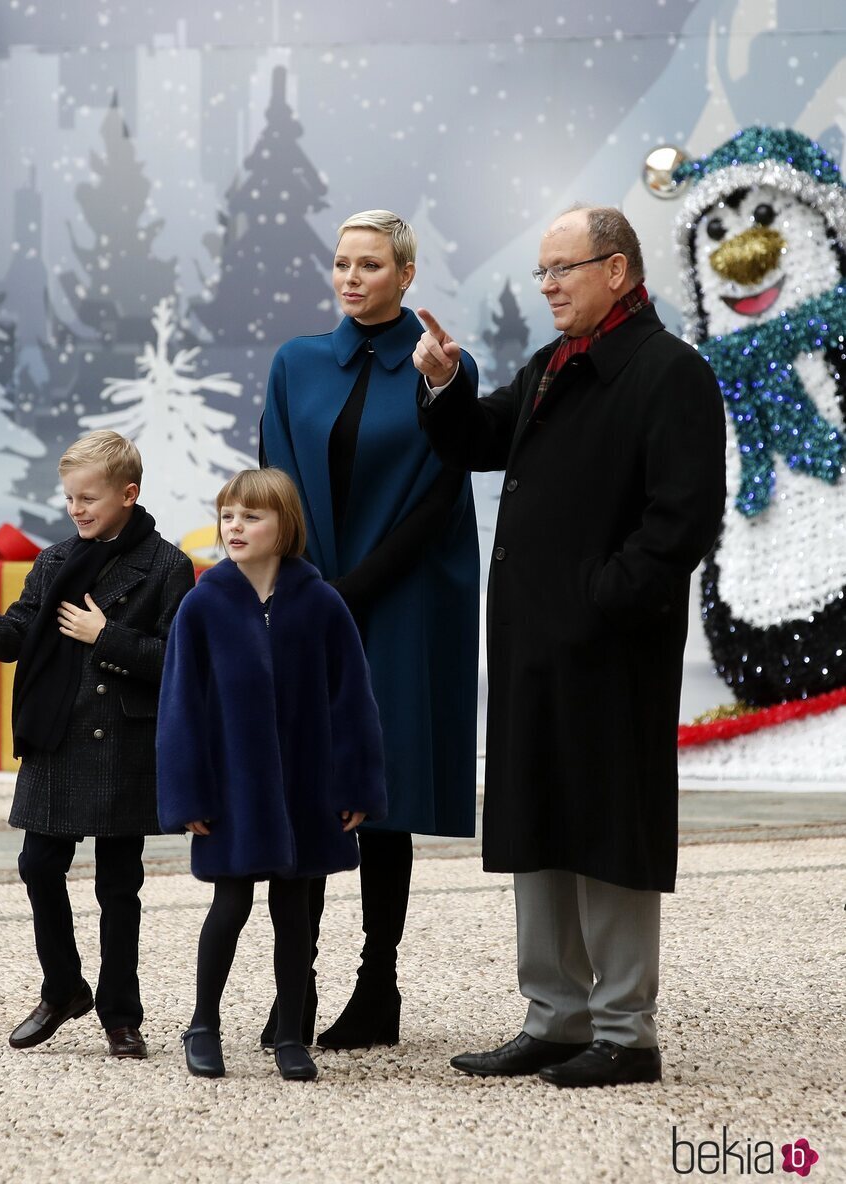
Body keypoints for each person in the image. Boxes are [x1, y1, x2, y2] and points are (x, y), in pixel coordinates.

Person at [413, 205, 726, 1087]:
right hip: (533, 645)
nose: (546, 285)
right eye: (542, 271)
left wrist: (601, 602)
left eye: (563, 269)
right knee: (538, 818)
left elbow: (681, 522)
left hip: (609, 646)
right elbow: (475, 437)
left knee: (608, 826)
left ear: (618, 271)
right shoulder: (555, 365)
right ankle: (554, 1017)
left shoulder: (670, 374)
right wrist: (441, 384)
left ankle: (626, 1034)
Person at [260, 210, 480, 1049]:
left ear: (407, 275)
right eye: (343, 263)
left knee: (377, 796)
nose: (353, 278)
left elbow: (438, 498)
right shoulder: (296, 364)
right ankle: (296, 988)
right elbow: (275, 484)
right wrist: (308, 590)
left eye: (372, 265)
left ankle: (377, 985)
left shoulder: (437, 367)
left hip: (399, 603)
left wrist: (354, 591)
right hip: (315, 600)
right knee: (308, 789)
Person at [0, 430, 194, 1060]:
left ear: (129, 493)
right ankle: (64, 988)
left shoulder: (169, 566)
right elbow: (14, 638)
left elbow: (180, 661)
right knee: (38, 866)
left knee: (119, 887)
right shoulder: (56, 559)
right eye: (69, 499)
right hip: (56, 739)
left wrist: (105, 635)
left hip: (122, 743)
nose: (76, 509)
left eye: (88, 497)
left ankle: (121, 1014)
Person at [156, 468, 387, 1082]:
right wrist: (187, 795)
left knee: (294, 914)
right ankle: (202, 1024)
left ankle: (291, 1034)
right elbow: (180, 705)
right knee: (228, 906)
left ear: (285, 528)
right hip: (231, 792)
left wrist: (357, 785)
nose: (235, 526)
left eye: (251, 516)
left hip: (308, 791)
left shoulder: (321, 603)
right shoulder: (202, 605)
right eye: (228, 514)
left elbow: (353, 699)